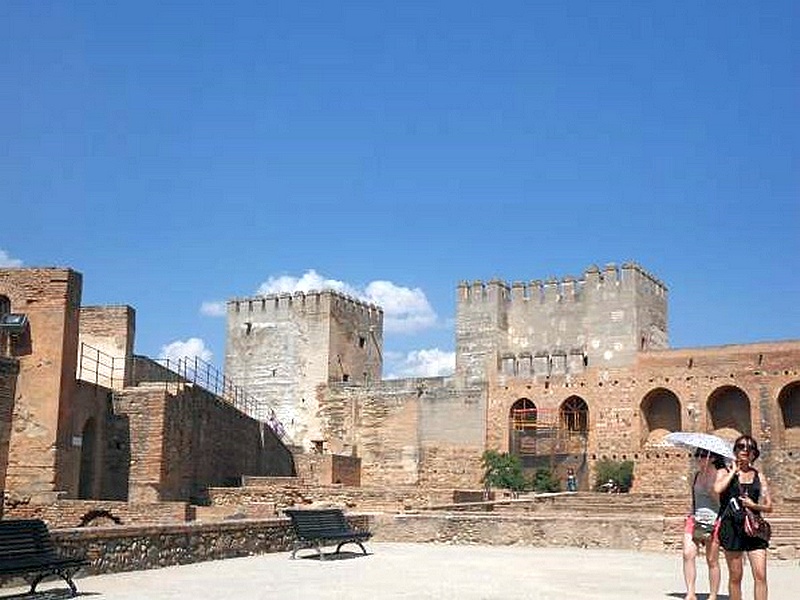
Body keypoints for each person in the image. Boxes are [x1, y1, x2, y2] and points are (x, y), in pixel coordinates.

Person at [714, 435, 773, 600]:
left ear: (754, 453)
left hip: (754, 528)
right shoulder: (724, 472)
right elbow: (718, 489)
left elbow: (769, 506)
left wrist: (754, 506)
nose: (745, 450)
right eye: (741, 446)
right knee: (735, 576)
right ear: (735, 450)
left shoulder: (758, 476)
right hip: (732, 528)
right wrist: (732, 472)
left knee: (760, 574)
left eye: (749, 448)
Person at [682, 449, 726, 600]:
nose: (698, 458)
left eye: (702, 456)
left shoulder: (721, 473)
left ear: (712, 458)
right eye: (697, 455)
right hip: (695, 518)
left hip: (714, 520)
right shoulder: (697, 475)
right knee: (688, 554)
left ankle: (713, 595)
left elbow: (722, 501)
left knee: (712, 560)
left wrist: (713, 491)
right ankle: (690, 593)